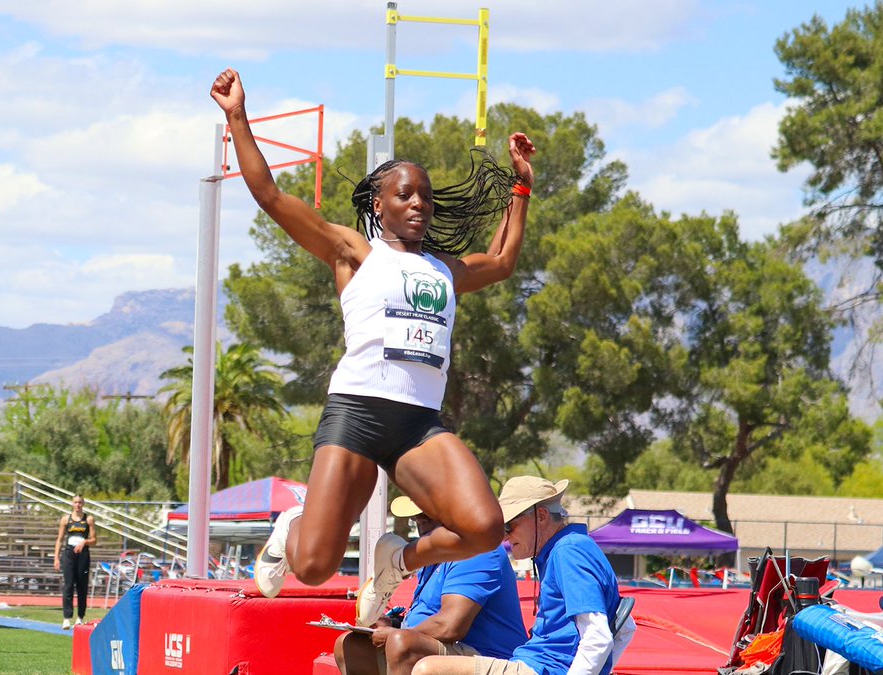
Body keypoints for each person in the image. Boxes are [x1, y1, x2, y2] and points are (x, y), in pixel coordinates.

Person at [210, 68, 536, 626]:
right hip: (357, 414)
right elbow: (269, 195)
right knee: (312, 566)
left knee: (483, 528)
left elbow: (503, 262)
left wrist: (521, 185)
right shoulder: (353, 252)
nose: (419, 204)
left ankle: (395, 560)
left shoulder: (443, 269)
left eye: (426, 197)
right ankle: (292, 526)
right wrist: (237, 116)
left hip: (417, 425)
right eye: (404, 194)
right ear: (379, 205)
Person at [411, 477, 636, 675]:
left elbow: (598, 638)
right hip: (538, 664)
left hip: (541, 667)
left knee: (427, 669)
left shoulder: (568, 552)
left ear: (541, 515)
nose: (504, 536)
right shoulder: (569, 548)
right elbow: (626, 626)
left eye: (509, 525)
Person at [335, 496, 526, 675]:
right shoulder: (436, 554)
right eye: (416, 516)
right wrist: (393, 624)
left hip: (488, 657)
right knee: (350, 644)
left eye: (426, 514)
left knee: (402, 643)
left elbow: (450, 627)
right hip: (447, 647)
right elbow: (430, 617)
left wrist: (397, 633)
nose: (419, 520)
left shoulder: (477, 550)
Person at [53, 494, 96, 630]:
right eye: (75, 502)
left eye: (80, 502)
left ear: (83, 504)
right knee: (68, 585)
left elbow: (94, 539)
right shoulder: (66, 519)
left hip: (82, 554)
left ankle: (80, 617)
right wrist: (56, 557)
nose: (77, 505)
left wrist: (84, 542)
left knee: (82, 586)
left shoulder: (88, 519)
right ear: (72, 504)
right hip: (69, 553)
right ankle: (67, 618)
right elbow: (60, 539)